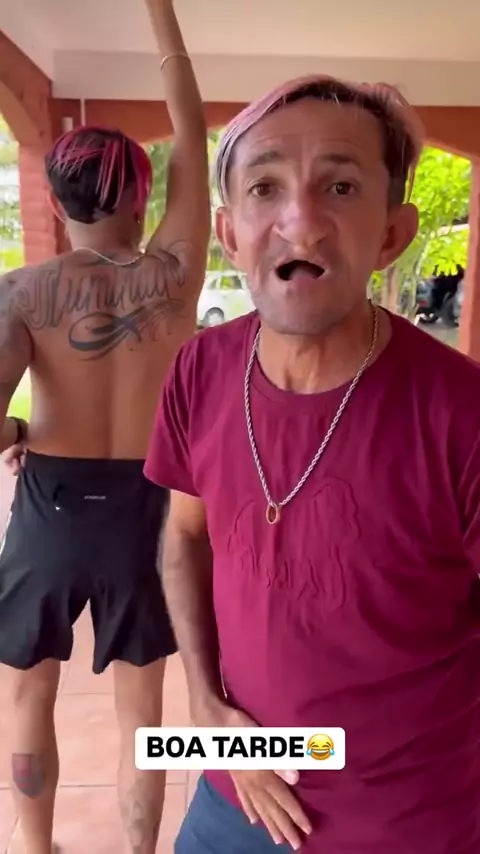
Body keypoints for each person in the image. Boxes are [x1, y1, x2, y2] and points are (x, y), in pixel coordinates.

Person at [144, 73, 480, 854]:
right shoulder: (200, 370)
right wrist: (206, 707)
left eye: (340, 185)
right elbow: (184, 541)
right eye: (265, 187)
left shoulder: (461, 413)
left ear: (391, 233)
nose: (300, 220)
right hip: (233, 798)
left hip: (410, 824)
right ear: (230, 235)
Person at [0, 0, 210, 851]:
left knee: (29, 694)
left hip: (50, 507)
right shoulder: (176, 273)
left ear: (56, 198)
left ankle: (36, 848)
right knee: (140, 714)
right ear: (143, 194)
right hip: (148, 506)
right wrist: (161, 13)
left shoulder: (22, 292)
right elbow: (192, 130)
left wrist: (17, 431)